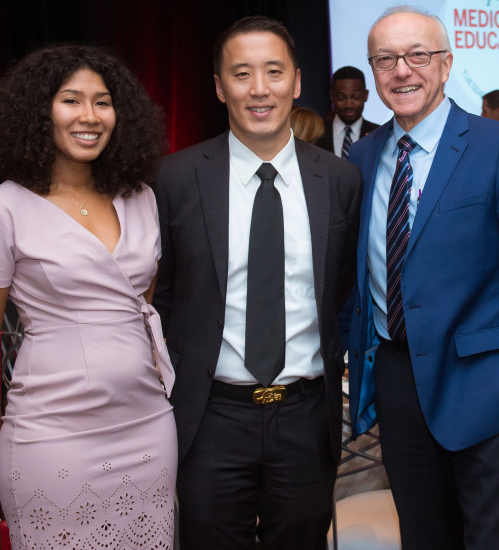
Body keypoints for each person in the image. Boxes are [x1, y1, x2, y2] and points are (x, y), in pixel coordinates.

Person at [348, 6, 499, 550]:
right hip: (399, 387)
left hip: (487, 387)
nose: (402, 70)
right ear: (373, 72)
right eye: (386, 59)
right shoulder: (364, 156)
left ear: (446, 65)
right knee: (425, 537)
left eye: (417, 55)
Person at [153, 16, 361, 549]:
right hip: (211, 416)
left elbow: (342, 289)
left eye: (273, 72)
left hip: (304, 414)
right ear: (220, 87)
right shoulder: (176, 178)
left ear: (296, 81)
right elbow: (166, 295)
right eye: (242, 74)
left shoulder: (338, 179)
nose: (259, 89)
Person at [0, 44, 175, 549]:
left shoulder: (140, 196)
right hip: (51, 435)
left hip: (148, 427)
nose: (90, 116)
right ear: (39, 111)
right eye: (71, 100)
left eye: (103, 102)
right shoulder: (6, 206)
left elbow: (140, 305)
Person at [315, 66, 380, 158]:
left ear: (365, 95)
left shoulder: (378, 134)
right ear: (332, 97)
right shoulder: (317, 133)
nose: (349, 105)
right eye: (341, 98)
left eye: (355, 97)